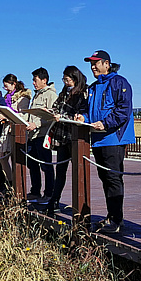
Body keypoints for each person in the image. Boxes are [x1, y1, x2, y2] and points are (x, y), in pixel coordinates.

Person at [75, 50, 135, 235]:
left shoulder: (120, 83)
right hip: (98, 139)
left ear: (107, 64)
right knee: (105, 179)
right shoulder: (92, 88)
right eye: (91, 63)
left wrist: (105, 123)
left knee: (113, 179)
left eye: (96, 62)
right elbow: (88, 110)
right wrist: (82, 117)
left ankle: (117, 220)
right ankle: (111, 216)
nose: (93, 66)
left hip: (114, 138)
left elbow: (123, 110)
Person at [39, 65, 88, 215]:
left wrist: (63, 117)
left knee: (78, 170)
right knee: (60, 170)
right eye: (64, 80)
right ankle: (54, 200)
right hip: (61, 136)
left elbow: (80, 115)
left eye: (67, 80)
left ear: (75, 79)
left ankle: (80, 205)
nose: (65, 82)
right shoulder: (63, 93)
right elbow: (56, 107)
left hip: (74, 136)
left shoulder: (82, 94)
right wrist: (50, 112)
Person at [25, 67, 58, 202]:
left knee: (46, 166)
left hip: (42, 135)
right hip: (32, 136)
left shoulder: (50, 95)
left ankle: (49, 193)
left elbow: (52, 115)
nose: (33, 83)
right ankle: (35, 191)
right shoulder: (37, 94)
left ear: (44, 80)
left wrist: (37, 124)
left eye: (35, 80)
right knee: (32, 164)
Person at [0, 74, 31, 187]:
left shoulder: (23, 97)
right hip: (6, 129)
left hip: (16, 130)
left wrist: (7, 116)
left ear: (14, 84)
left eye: (7, 86)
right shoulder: (7, 97)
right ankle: (10, 181)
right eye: (4, 87)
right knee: (2, 156)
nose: (5, 89)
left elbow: (23, 114)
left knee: (15, 157)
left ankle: (16, 184)